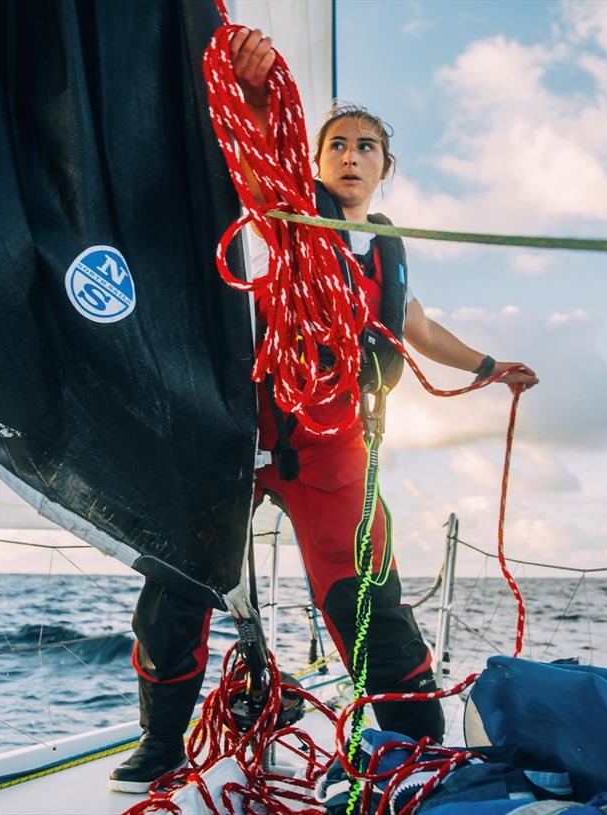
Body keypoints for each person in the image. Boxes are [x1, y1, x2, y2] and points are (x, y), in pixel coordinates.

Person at [110, 27, 538, 793]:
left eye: (365, 145)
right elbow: (247, 153)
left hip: (336, 441)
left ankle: (414, 740)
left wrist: (485, 366)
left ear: (385, 166)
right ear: (316, 159)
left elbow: (414, 325)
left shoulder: (389, 246)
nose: (349, 154)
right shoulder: (285, 213)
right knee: (179, 576)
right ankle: (161, 738)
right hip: (241, 427)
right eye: (336, 142)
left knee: (367, 588)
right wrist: (256, 90)